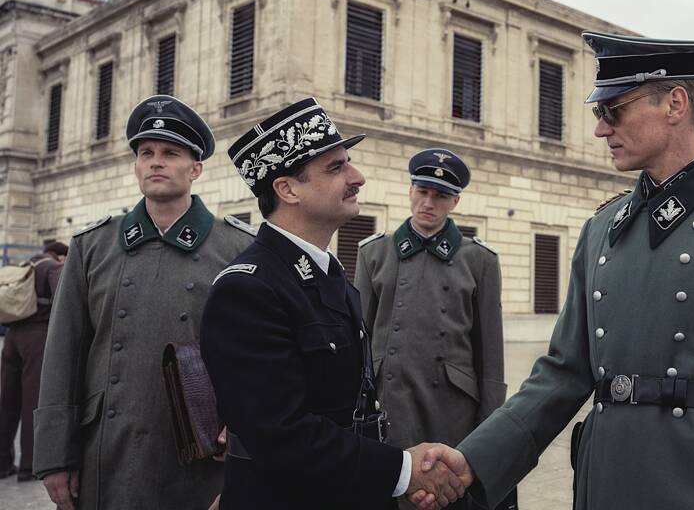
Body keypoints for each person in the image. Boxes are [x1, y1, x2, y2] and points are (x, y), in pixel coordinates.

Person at [413, 32, 694, 510]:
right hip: (609, 481)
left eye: (612, 111)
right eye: (599, 114)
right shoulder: (602, 228)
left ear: (675, 104)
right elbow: (562, 374)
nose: (600, 129)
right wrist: (474, 460)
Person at [200, 98, 465, 509]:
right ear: (287, 189)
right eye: (336, 167)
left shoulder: (329, 276)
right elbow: (280, 434)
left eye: (349, 163)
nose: (357, 177)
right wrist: (403, 470)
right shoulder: (248, 289)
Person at [33, 95, 255, 510]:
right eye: (146, 153)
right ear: (135, 166)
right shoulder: (93, 245)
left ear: (196, 169)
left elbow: (256, 359)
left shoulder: (237, 247)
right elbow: (63, 354)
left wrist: (243, 437)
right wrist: (54, 457)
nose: (156, 161)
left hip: (202, 454)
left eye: (171, 153)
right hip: (106, 450)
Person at [356, 149, 516, 510]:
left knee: (445, 495)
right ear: (410, 190)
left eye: (441, 195)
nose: (428, 203)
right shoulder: (374, 253)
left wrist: (488, 436)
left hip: (452, 409)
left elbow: (491, 356)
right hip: (389, 404)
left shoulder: (479, 261)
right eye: (422, 191)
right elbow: (360, 343)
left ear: (455, 201)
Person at [0, 241, 67, 481]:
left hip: (11, 338)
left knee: (6, 403)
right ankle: (29, 466)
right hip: (36, 340)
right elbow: (64, 302)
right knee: (33, 403)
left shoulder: (25, 265)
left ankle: (3, 463)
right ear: (60, 255)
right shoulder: (53, 268)